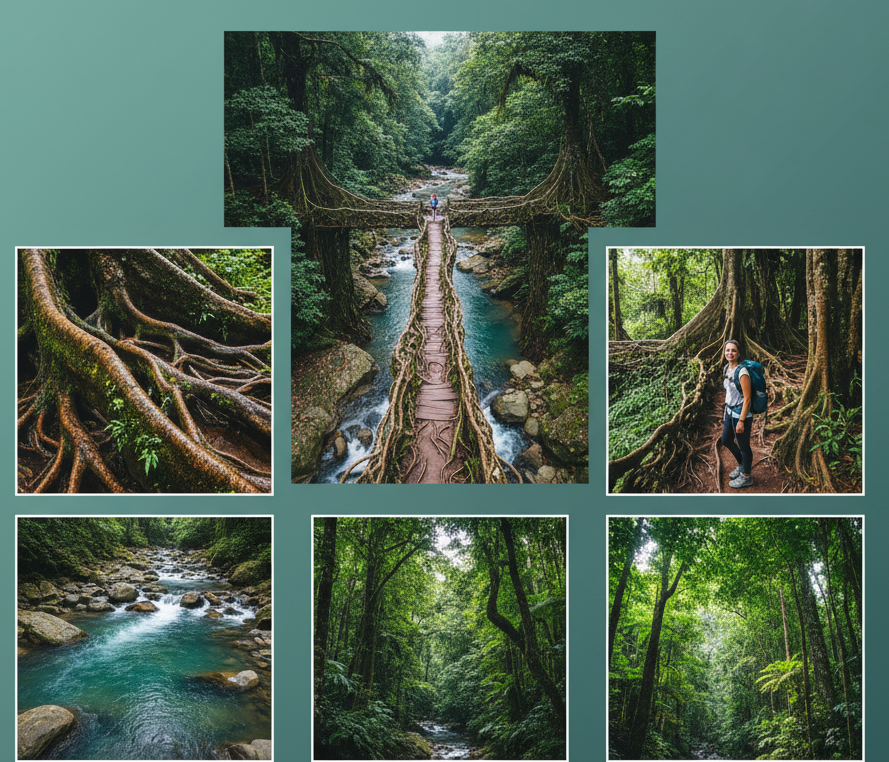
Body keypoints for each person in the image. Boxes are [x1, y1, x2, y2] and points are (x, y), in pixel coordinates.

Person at [722, 339, 754, 488]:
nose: (730, 353)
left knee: (743, 446)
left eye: (733, 350)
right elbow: (729, 392)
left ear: (738, 353)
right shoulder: (726, 369)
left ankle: (746, 476)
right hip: (729, 411)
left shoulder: (742, 371)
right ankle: (742, 465)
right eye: (728, 350)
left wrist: (741, 420)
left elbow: (748, 398)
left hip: (741, 414)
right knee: (726, 439)